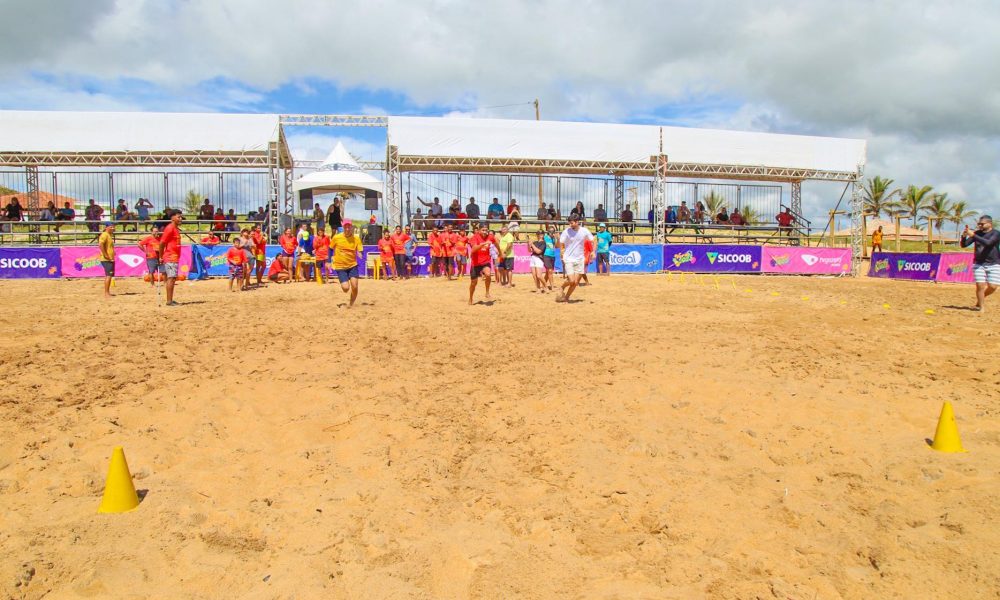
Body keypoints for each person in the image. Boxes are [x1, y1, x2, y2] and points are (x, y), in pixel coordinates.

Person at [961, 215, 1000, 312]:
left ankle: (980, 299)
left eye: (982, 224)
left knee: (993, 286)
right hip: (978, 263)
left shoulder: (996, 233)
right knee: (980, 285)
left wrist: (973, 235)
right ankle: (981, 307)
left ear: (990, 224)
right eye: (979, 224)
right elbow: (964, 245)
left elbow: (988, 243)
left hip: (994, 263)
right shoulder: (977, 233)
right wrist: (964, 236)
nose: (980, 225)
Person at [556, 215, 594, 303]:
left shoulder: (584, 231)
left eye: (572, 223)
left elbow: (593, 240)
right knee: (571, 280)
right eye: (569, 223)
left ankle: (566, 298)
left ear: (577, 222)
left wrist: (593, 251)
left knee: (575, 282)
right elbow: (561, 243)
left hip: (580, 259)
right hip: (569, 259)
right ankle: (562, 287)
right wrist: (561, 250)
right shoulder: (566, 231)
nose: (570, 224)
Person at [330, 221, 363, 307]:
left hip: (352, 265)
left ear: (351, 227)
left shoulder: (356, 238)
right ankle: (345, 285)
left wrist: (359, 253)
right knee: (346, 288)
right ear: (343, 227)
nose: (347, 229)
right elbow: (330, 249)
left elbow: (359, 249)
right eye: (346, 227)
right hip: (340, 266)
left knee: (355, 286)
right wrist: (328, 261)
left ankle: (351, 305)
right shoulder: (337, 237)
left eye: (349, 227)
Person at [468, 223, 501, 305]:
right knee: (473, 283)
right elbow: (474, 249)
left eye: (486, 230)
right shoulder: (474, 237)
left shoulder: (490, 237)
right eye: (483, 230)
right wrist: (483, 243)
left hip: (485, 261)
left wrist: (500, 252)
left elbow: (496, 243)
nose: (484, 231)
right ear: (479, 230)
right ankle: (471, 298)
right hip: (475, 263)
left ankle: (487, 292)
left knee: (488, 274)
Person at [158, 210, 183, 306]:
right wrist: (160, 256)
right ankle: (169, 301)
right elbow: (162, 243)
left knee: (172, 278)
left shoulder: (176, 229)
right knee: (171, 278)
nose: (180, 219)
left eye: (181, 217)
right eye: (178, 217)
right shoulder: (170, 228)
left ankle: (171, 300)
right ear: (172, 218)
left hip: (174, 257)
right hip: (170, 257)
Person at [99, 223, 115, 298]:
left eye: (113, 227)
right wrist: (105, 254)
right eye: (111, 227)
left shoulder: (109, 235)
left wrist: (112, 252)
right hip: (106, 258)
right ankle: (106, 293)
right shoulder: (105, 234)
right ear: (106, 227)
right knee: (108, 275)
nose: (113, 228)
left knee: (110, 275)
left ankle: (107, 292)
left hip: (109, 258)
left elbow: (107, 246)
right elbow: (101, 244)